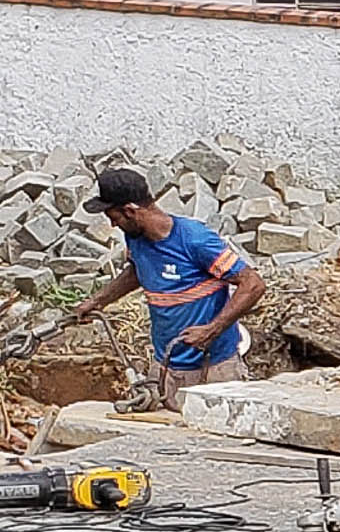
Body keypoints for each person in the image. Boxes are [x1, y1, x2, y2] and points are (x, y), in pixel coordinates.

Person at [64, 164, 269, 390]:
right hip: (166, 366)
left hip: (215, 368)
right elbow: (137, 271)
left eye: (114, 217)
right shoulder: (136, 238)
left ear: (130, 211)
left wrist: (212, 329)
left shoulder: (194, 240)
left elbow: (253, 284)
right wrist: (97, 302)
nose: (113, 225)